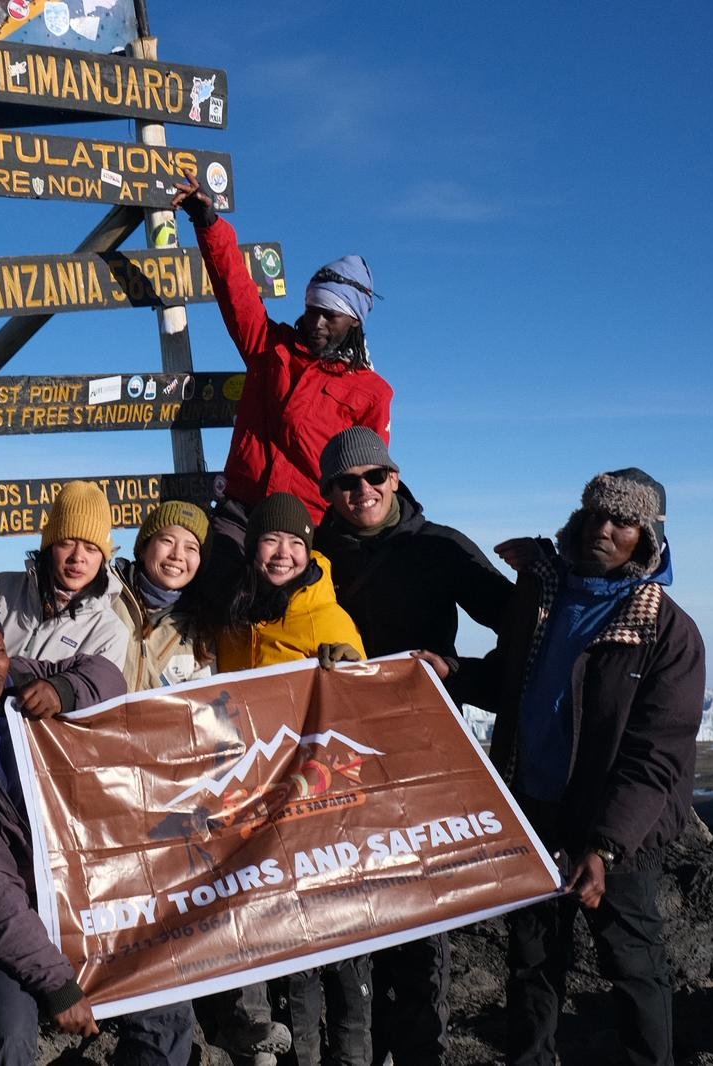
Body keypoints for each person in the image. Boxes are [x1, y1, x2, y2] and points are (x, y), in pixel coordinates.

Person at [427, 468, 703, 1066]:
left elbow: (656, 757)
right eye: (595, 515)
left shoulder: (667, 631)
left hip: (618, 827)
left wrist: (605, 847)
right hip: (534, 807)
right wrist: (455, 673)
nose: (604, 529)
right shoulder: (545, 599)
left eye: (623, 521)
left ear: (648, 538)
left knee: (631, 963)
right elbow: (513, 681)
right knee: (531, 959)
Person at [0, 585, 197, 1066]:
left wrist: (64, 691)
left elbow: (106, 673)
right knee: (11, 1031)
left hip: (72, 894)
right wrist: (58, 985)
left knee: (164, 999)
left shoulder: (19, 678)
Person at [310, 427, 513, 1066]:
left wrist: (461, 673)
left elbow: (517, 619)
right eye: (346, 482)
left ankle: (424, 1049)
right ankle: (358, 1050)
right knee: (352, 895)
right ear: (329, 492)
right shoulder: (314, 556)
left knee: (422, 896)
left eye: (374, 477)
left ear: (394, 478)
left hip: (425, 741)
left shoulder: (438, 546)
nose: (362, 491)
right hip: (339, 751)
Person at [171, 173, 393, 595]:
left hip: (307, 530)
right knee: (212, 603)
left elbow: (368, 482)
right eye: (312, 310)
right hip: (241, 513)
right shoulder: (270, 349)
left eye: (330, 315)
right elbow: (235, 292)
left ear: (355, 321)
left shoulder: (372, 393)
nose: (317, 322)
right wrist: (208, 223)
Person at [213, 492, 368, 1066]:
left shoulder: (327, 615)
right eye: (270, 540)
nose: (282, 553)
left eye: (294, 542)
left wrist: (349, 666)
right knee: (275, 931)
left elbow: (360, 691)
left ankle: (351, 1055)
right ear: (253, 547)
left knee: (338, 941)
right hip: (255, 799)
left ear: (309, 550)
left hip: (319, 800)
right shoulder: (236, 615)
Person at [0, 480, 127, 670]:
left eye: (91, 548)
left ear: (103, 559)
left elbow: (95, 687)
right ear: (49, 547)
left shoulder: (110, 633)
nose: (78, 557)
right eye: (67, 543)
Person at [113, 499, 214, 692]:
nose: (177, 555)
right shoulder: (108, 595)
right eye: (167, 541)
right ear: (143, 549)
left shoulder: (202, 628)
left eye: (191, 548)